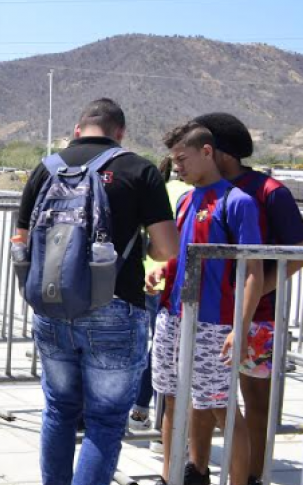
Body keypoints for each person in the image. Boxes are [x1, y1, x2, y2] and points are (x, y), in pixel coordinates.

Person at [15, 98, 178, 485]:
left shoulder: (46, 169)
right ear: (120, 132)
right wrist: (141, 248)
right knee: (105, 421)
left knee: (58, 411)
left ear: (77, 129)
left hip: (52, 308)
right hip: (115, 306)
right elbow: (167, 247)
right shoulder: (138, 169)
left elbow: (21, 240)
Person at [147, 121, 264, 485]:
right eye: (174, 160)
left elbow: (252, 273)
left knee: (221, 409)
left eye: (182, 159)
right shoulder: (184, 199)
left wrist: (239, 329)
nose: (177, 167)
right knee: (168, 398)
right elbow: (186, 253)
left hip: (213, 323)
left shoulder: (238, 202)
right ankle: (171, 477)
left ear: (207, 152)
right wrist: (163, 270)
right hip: (172, 316)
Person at [189, 113, 303, 485]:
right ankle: (198, 469)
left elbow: (296, 254)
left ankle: (253, 474)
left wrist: (252, 296)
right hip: (208, 314)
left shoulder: (270, 192)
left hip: (260, 316)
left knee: (254, 398)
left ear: (219, 151)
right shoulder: (202, 190)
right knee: (205, 397)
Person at [130, 157, 192, 443]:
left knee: (149, 349)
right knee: (169, 355)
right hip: (174, 280)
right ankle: (162, 425)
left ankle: (140, 410)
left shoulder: (159, 189)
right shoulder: (190, 192)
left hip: (147, 276)